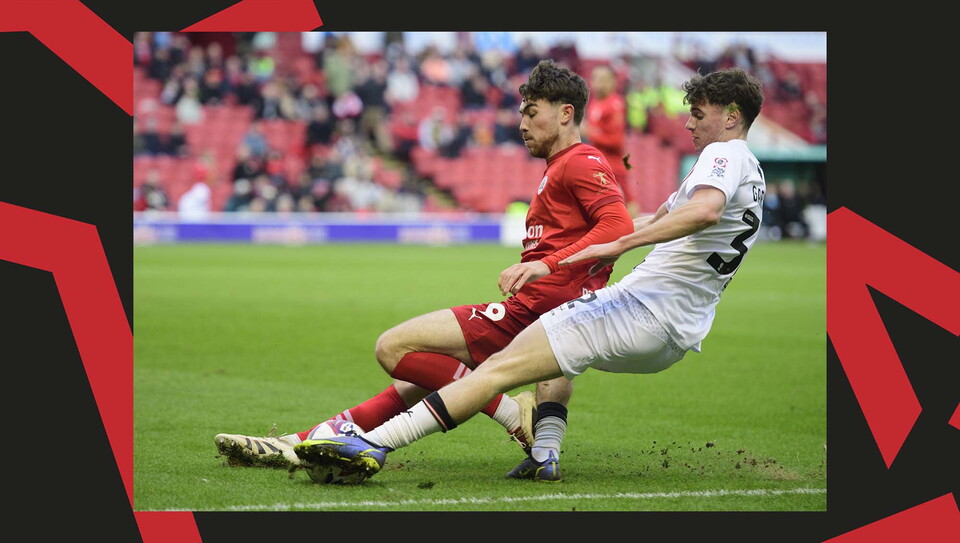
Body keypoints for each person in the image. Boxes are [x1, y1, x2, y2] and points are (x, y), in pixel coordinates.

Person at [292, 67, 766, 485]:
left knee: (498, 368)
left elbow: (697, 211)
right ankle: (544, 454)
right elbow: (655, 220)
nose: (688, 123)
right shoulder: (753, 174)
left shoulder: (725, 156)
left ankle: (375, 444)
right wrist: (599, 244)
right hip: (679, 330)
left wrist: (587, 252)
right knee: (548, 358)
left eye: (699, 114)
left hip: (641, 309)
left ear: (730, 115)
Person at [214, 60, 635, 480]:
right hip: (553, 317)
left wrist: (545, 264)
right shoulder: (562, 167)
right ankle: (303, 442)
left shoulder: (580, 161)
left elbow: (619, 225)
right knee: (420, 381)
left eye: (531, 112)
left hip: (531, 313)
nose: (521, 123)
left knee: (395, 349)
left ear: (565, 113)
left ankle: (509, 412)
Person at [583, 64, 634, 214]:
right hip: (598, 162)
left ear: (613, 82)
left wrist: (590, 133)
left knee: (626, 200)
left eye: (603, 79)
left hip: (613, 165)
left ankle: (635, 233)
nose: (599, 83)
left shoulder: (615, 104)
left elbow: (617, 141)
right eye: (596, 79)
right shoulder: (594, 103)